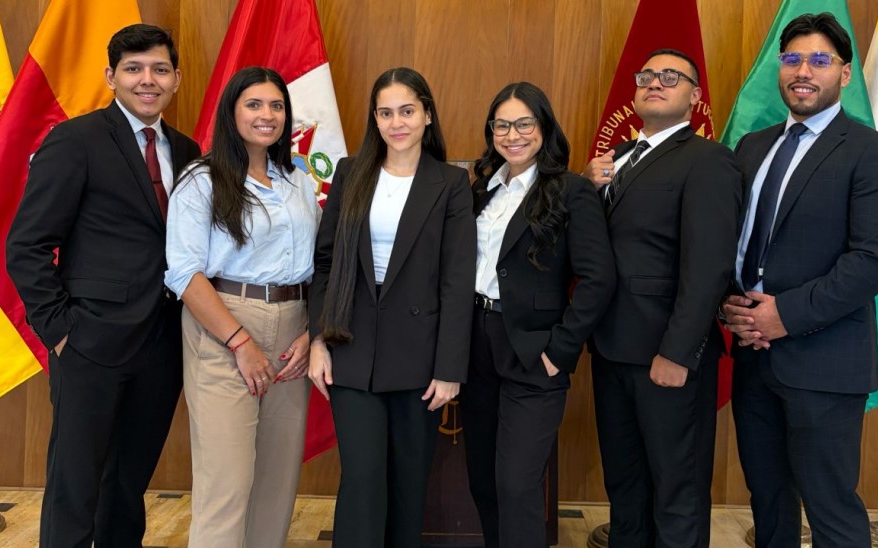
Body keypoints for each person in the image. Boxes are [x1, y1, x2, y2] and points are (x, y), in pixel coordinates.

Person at [5, 24, 200, 547]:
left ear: (176, 79)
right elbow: (26, 244)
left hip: (163, 344)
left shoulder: (188, 151)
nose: (147, 79)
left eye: (159, 69)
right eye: (133, 69)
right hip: (89, 342)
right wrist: (59, 330)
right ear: (111, 77)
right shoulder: (75, 140)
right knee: (76, 484)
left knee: (128, 485)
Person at [720, 13, 878, 548]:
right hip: (753, 358)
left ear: (844, 73)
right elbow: (731, 242)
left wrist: (783, 315)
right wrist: (730, 306)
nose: (803, 71)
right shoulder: (752, 147)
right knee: (768, 503)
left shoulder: (873, 151)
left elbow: (875, 260)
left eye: (819, 60)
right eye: (792, 59)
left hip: (825, 361)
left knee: (831, 509)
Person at [307, 67, 476, 548]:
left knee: (408, 484)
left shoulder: (450, 183)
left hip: (419, 356)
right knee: (362, 481)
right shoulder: (350, 172)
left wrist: (449, 368)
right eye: (385, 113)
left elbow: (457, 280)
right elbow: (325, 261)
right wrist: (318, 339)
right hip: (351, 346)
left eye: (407, 111)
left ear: (427, 115)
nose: (396, 123)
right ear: (374, 119)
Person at [583, 49, 742, 547]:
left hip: (667, 357)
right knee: (625, 488)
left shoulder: (709, 160)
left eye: (671, 77)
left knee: (677, 492)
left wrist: (677, 352)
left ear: (695, 96)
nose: (655, 82)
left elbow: (709, 266)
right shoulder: (615, 160)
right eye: (647, 75)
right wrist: (588, 189)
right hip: (611, 350)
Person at [164, 66, 317, 547]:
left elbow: (319, 263)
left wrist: (310, 332)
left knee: (277, 481)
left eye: (276, 105)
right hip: (224, 327)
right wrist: (239, 342)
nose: (267, 114)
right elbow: (184, 274)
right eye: (254, 104)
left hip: (293, 331)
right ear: (231, 112)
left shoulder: (298, 180)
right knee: (226, 484)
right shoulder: (201, 180)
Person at [461, 82, 614, 548]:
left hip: (534, 352)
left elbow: (599, 279)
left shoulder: (571, 190)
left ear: (544, 128)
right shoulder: (482, 191)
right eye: (502, 125)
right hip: (476, 345)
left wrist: (559, 351)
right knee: (483, 480)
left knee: (517, 485)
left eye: (524, 123)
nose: (512, 135)